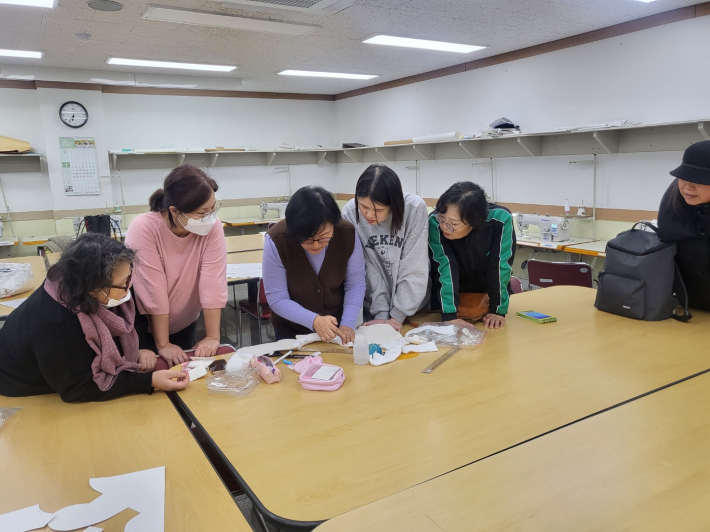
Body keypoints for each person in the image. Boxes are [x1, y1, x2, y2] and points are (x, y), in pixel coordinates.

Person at [0, 234, 189, 402]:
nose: (129, 287)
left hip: (64, 372)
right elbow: (77, 388)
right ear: (92, 287)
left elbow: (132, 319)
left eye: (129, 277)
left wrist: (141, 347)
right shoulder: (55, 324)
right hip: (28, 388)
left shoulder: (81, 285)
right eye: (124, 283)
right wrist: (149, 381)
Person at [125, 165, 227, 367]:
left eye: (213, 209)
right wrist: (163, 344)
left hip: (184, 320)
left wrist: (213, 337)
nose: (210, 217)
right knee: (151, 379)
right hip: (144, 326)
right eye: (202, 212)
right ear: (174, 211)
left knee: (184, 374)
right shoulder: (144, 228)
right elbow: (152, 289)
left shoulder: (213, 227)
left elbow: (212, 282)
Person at [263, 186, 366, 342]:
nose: (316, 245)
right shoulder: (277, 240)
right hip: (291, 332)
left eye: (324, 237)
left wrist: (348, 324)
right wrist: (314, 320)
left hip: (336, 330)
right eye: (307, 239)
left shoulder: (347, 234)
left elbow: (355, 284)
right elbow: (277, 299)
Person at [341, 164, 429, 332]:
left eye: (378, 210)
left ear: (394, 204)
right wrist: (381, 314)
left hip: (412, 310)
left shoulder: (414, 209)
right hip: (372, 310)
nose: (369, 215)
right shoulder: (350, 213)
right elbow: (365, 267)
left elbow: (414, 267)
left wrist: (397, 315)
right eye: (363, 207)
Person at [428, 182, 516, 329]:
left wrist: (497, 310)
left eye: (453, 224)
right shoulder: (434, 222)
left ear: (475, 222)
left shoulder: (500, 219)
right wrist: (449, 314)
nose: (444, 226)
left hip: (486, 301)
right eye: (442, 217)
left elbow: (500, 266)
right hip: (448, 300)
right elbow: (445, 267)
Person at [657, 140, 710, 311]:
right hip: (690, 308)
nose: (688, 186)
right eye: (683, 177)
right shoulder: (675, 206)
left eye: (699, 179)